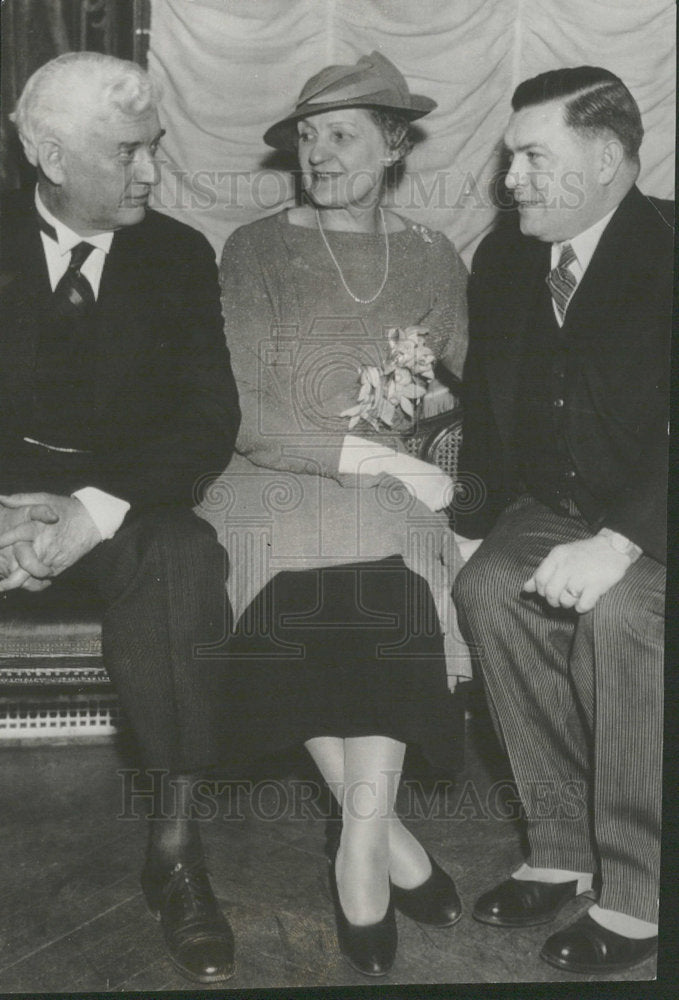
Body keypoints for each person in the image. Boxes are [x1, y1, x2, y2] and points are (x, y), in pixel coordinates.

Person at [199, 51, 469, 976]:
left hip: (388, 484)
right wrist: (356, 448)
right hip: (267, 476)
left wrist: (415, 406)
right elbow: (244, 408)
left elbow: (451, 390)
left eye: (341, 135)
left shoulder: (434, 255)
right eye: (307, 137)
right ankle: (383, 844)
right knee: (304, 566)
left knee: (385, 569)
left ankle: (358, 844)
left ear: (393, 145)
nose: (318, 153)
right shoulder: (253, 248)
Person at [0, 53, 241, 984]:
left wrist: (90, 515)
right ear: (50, 155)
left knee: (183, 554)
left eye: (157, 150)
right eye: (129, 152)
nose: (151, 174)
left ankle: (178, 850)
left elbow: (204, 421)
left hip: (120, 505)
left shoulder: (179, 255)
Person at [453, 66, 672, 975]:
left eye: (533, 158)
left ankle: (636, 890)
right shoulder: (502, 260)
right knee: (488, 587)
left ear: (610, 160)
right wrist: (467, 524)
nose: (510, 180)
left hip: (653, 514)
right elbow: (489, 409)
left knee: (622, 616)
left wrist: (621, 542)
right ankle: (560, 846)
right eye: (509, 159)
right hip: (559, 506)